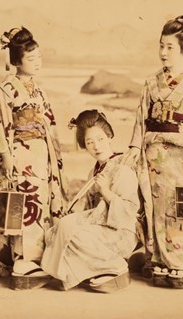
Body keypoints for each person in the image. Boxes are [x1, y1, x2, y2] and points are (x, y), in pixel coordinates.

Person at [124, 15, 183, 289]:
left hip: (179, 157)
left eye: (170, 47)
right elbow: (140, 118)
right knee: (153, 210)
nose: (163, 52)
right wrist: (135, 147)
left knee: (177, 210)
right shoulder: (151, 83)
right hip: (152, 157)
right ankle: (159, 261)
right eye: (161, 46)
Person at [0, 26, 68, 287]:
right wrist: (6, 158)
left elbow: (49, 124)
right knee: (22, 206)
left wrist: (54, 151)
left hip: (40, 155)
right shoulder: (5, 90)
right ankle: (22, 261)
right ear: (16, 61)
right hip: (19, 155)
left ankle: (38, 260)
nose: (37, 63)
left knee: (40, 204)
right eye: (31, 59)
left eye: (39, 57)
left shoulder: (38, 91)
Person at [40, 110, 140, 292]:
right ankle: (93, 270)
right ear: (84, 146)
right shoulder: (93, 173)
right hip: (99, 229)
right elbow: (86, 210)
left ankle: (116, 266)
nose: (96, 146)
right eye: (89, 142)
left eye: (100, 139)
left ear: (109, 136)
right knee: (55, 232)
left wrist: (105, 192)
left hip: (120, 232)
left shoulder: (122, 168)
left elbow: (129, 212)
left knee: (70, 233)